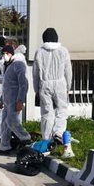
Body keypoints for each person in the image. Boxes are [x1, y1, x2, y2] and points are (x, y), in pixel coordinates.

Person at [33, 27, 74, 157]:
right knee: (62, 110)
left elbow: (35, 73)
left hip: (44, 84)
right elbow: (68, 70)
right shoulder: (63, 51)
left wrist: (37, 89)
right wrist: (68, 87)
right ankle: (59, 133)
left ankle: (46, 139)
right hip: (60, 83)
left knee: (47, 113)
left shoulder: (39, 52)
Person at [0, 44, 31, 153]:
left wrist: (20, 100)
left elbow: (23, 84)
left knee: (11, 120)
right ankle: (4, 146)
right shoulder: (7, 65)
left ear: (10, 53)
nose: (4, 56)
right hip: (7, 99)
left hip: (14, 99)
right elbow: (5, 84)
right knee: (4, 124)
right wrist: (2, 99)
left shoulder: (18, 65)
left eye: (5, 54)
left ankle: (25, 137)